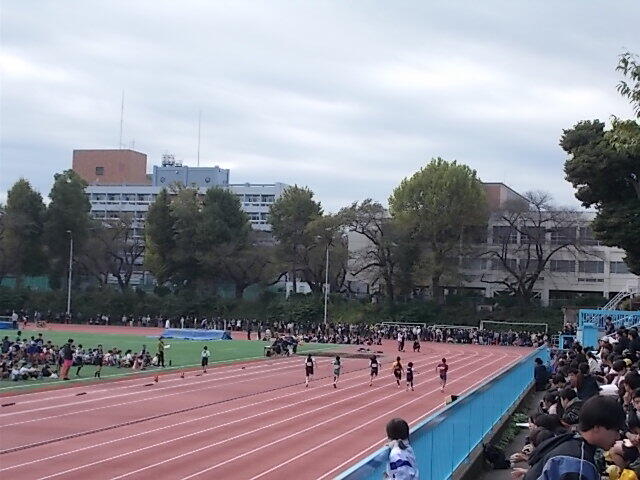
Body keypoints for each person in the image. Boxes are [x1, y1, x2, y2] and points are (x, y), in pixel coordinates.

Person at [521, 396, 625, 480]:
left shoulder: (570, 441)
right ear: (597, 427)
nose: (618, 436)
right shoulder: (578, 464)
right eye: (616, 430)